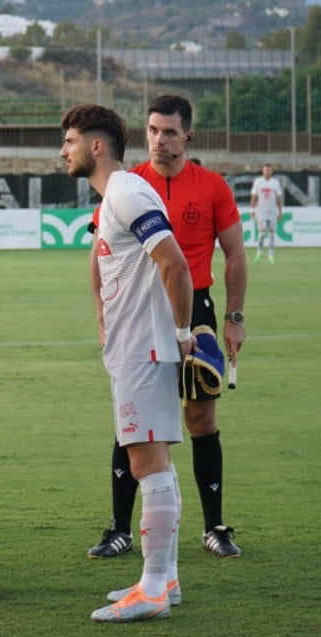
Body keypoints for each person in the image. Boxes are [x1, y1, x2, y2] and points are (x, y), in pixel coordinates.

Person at [88, 94, 247, 560]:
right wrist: (102, 319)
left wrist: (234, 319)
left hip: (194, 310)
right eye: (153, 131)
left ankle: (214, 526)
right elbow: (98, 256)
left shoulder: (213, 187)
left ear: (188, 136)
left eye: (170, 132)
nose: (159, 140)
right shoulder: (128, 184)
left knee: (200, 419)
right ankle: (118, 527)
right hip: (139, 311)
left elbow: (235, 254)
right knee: (132, 421)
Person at [61, 103, 193, 622]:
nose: (63, 151)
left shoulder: (127, 191)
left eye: (70, 141)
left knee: (145, 462)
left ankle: (154, 589)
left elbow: (175, 263)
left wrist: (182, 336)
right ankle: (167, 579)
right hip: (134, 346)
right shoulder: (119, 196)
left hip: (146, 347)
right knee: (155, 459)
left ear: (96, 146)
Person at [250, 163, 283, 263]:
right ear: (263, 171)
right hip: (261, 211)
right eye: (265, 170)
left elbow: (278, 198)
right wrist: (251, 209)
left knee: (272, 233)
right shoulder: (258, 182)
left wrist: (280, 211)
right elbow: (254, 196)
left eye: (269, 170)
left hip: (272, 211)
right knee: (263, 232)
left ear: (272, 171)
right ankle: (259, 252)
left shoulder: (275, 183)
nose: (267, 172)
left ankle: (271, 255)